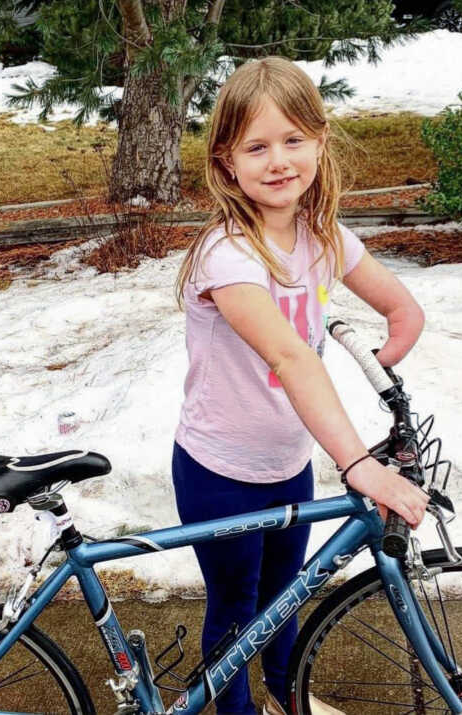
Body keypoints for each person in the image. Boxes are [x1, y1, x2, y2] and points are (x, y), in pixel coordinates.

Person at [171, 56, 429, 714]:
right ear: (227, 161)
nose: (279, 160)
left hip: (287, 462)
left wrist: (397, 332)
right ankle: (236, 710)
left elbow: (400, 305)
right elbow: (290, 356)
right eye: (257, 146)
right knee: (235, 608)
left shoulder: (321, 235)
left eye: (293, 139)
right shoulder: (227, 254)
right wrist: (359, 462)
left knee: (285, 593)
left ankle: (290, 693)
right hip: (218, 470)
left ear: (319, 140)